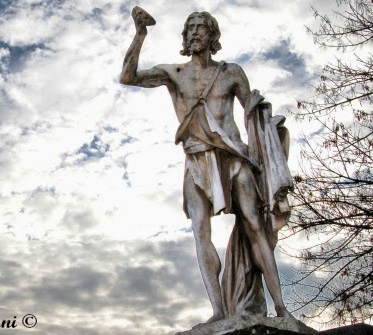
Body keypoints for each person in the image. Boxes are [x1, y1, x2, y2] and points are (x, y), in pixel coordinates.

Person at [120, 8, 294, 323]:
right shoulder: (174, 73)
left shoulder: (231, 73)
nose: (195, 32)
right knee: (200, 231)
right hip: (196, 157)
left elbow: (251, 113)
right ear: (185, 37)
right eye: (190, 28)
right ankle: (218, 310)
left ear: (212, 35)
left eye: (202, 27)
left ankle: (281, 308)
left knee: (255, 224)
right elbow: (128, 77)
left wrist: (270, 130)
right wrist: (140, 34)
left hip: (233, 156)